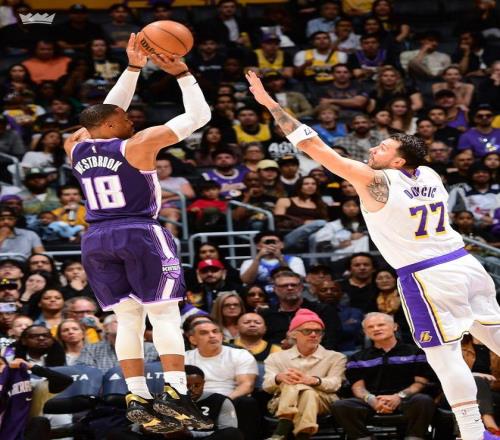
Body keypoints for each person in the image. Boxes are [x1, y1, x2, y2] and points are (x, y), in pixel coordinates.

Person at [246, 67, 500, 440]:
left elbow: (314, 147)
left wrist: (270, 104)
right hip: (465, 263)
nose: (371, 150)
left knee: (444, 357)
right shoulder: (430, 175)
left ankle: (473, 433)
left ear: (397, 162)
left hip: (428, 274)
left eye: (381, 148)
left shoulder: (376, 180)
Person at [64, 34, 212, 431]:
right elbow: (199, 117)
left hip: (96, 239)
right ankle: (176, 392)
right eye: (126, 119)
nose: (133, 121)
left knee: (128, 319)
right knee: (164, 314)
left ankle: (137, 395)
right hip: (139, 231)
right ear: (113, 124)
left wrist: (132, 68)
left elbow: (102, 115)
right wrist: (182, 74)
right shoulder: (140, 144)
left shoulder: (74, 145)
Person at [331, 313, 436, 440]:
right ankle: (365, 437)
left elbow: (420, 383)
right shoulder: (357, 358)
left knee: (424, 400)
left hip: (406, 400)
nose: (376, 329)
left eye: (381, 325)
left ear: (395, 327)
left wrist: (398, 397)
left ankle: (414, 437)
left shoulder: (415, 352)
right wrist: (372, 400)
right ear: (365, 332)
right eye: (370, 327)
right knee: (341, 406)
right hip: (371, 401)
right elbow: (358, 387)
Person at [263, 309, 346, 440]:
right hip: (282, 400)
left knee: (299, 386)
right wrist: (279, 378)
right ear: (293, 334)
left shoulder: (336, 357)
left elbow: (335, 384)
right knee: (306, 392)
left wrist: (313, 380)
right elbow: (267, 386)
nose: (313, 335)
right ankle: (303, 435)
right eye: (307, 331)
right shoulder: (275, 358)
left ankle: (283, 427)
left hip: (323, 400)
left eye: (318, 331)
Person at [185, 320, 261, 440]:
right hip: (195, 400)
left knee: (247, 403)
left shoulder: (240, 355)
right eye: (204, 333)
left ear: (221, 336)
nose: (212, 335)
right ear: (193, 339)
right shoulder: (184, 357)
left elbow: (247, 385)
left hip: (230, 399)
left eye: (215, 331)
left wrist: (222, 401)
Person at [239, 231, 306, 291]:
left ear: (282, 245)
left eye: (274, 242)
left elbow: (298, 279)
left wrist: (280, 258)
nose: (271, 245)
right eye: (267, 242)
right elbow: (247, 281)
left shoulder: (295, 260)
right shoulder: (249, 263)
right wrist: (258, 258)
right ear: (258, 246)